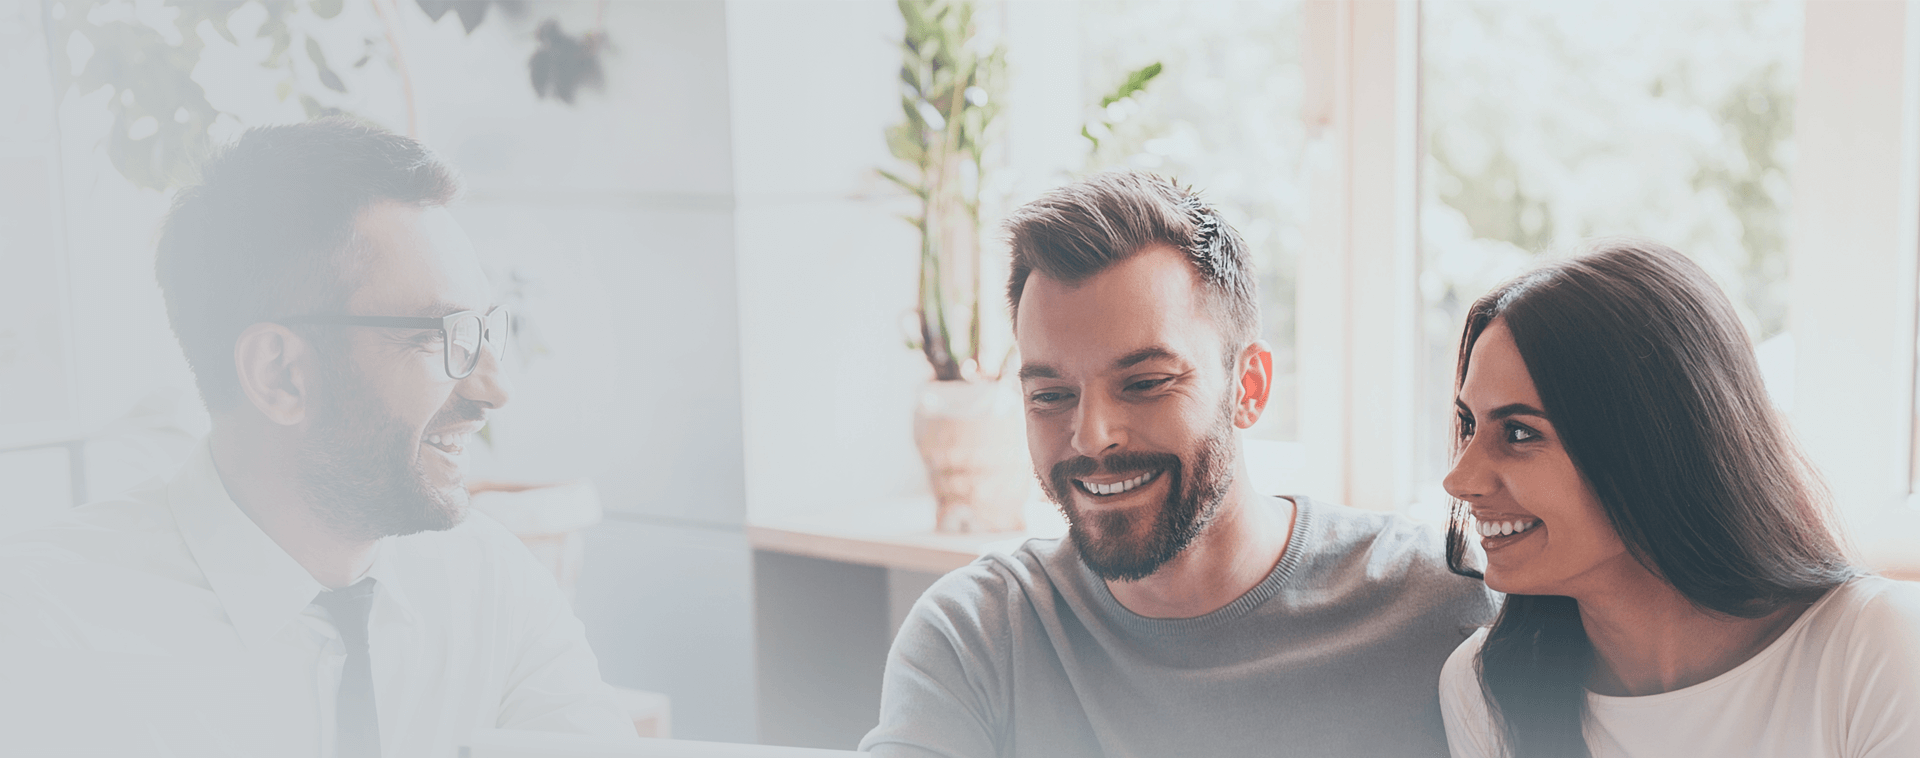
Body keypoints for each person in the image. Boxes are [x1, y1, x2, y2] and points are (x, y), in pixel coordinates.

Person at [0, 119, 633, 756]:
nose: (494, 390)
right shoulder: (43, 632)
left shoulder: (491, 584)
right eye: (442, 337)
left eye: (485, 329)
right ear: (280, 374)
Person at [861, 172, 1498, 758]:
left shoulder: (1442, 606)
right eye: (1050, 396)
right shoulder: (979, 634)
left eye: (1145, 383)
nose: (1091, 437)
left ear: (1247, 386)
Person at [1437, 239, 1920, 758]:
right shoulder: (1484, 688)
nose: (1460, 479)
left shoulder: (1879, 651)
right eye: (1468, 424)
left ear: (1655, 446)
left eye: (1518, 432)